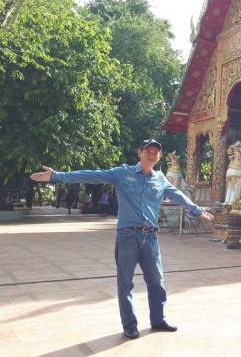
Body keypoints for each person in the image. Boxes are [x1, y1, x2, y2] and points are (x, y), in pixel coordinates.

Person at [30, 139, 214, 340]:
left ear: (159, 156)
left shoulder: (160, 179)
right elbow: (92, 176)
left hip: (150, 238)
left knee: (157, 281)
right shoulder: (122, 173)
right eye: (148, 151)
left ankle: (158, 320)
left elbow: (179, 196)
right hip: (127, 236)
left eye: (155, 152)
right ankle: (130, 325)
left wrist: (197, 211)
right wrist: (57, 176)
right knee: (125, 282)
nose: (152, 155)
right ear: (139, 153)